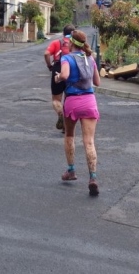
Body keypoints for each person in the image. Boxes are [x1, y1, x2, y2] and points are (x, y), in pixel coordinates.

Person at [54, 29, 101, 196]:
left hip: (72, 102)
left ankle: (71, 170)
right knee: (89, 141)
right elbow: (97, 82)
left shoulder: (66, 58)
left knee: (69, 135)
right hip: (89, 101)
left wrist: (58, 77)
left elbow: (65, 75)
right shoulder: (90, 58)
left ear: (71, 43)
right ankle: (93, 177)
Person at [44, 24, 75, 133]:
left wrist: (49, 66)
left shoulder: (56, 43)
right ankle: (66, 125)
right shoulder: (74, 44)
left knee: (56, 100)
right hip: (71, 69)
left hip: (58, 68)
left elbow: (46, 54)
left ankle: (61, 113)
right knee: (68, 98)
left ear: (63, 33)